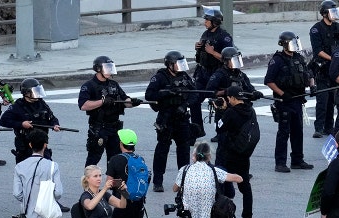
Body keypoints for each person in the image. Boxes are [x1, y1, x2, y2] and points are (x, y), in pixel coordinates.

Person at [145, 51, 196, 192]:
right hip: (166, 119)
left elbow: (195, 93)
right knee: (162, 150)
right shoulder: (160, 77)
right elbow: (149, 95)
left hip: (182, 119)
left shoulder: (184, 77)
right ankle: (158, 181)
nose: (180, 67)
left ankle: (183, 180)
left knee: (184, 151)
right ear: (169, 65)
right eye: (177, 64)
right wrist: (166, 93)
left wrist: (184, 106)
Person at [264, 31, 315, 173]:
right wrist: (282, 94)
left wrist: (312, 86)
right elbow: (269, 80)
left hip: (298, 100)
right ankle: (280, 163)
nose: (294, 47)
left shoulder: (299, 58)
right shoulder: (277, 60)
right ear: (284, 44)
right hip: (284, 101)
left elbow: (309, 74)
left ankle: (297, 160)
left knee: (298, 131)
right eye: (291, 43)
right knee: (284, 132)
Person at [78, 56, 142, 167]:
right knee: (94, 158)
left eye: (110, 67)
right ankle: (88, 182)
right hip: (99, 128)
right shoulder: (89, 86)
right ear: (98, 69)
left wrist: (132, 102)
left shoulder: (113, 85)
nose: (109, 71)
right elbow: (83, 105)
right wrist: (102, 102)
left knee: (114, 159)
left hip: (114, 127)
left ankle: (112, 183)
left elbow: (124, 100)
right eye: (107, 68)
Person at [216, 86, 257, 218]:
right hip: (244, 154)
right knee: (245, 187)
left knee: (222, 184)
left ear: (233, 98)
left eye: (229, 98)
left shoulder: (231, 113)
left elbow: (219, 128)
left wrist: (221, 111)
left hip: (229, 154)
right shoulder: (250, 111)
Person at [0, 78, 61, 164]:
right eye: (35, 91)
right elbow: (3, 121)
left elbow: (51, 117)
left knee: (47, 166)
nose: (37, 94)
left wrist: (55, 124)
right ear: (26, 92)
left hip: (41, 143)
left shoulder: (41, 103)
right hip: (25, 145)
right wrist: (21, 124)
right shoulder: (18, 106)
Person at [193, 7, 233, 139]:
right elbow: (201, 53)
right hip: (203, 72)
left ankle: (220, 131)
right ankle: (197, 128)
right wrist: (198, 48)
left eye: (207, 20)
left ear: (214, 22)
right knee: (194, 99)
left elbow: (228, 58)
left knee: (219, 101)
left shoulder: (224, 37)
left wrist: (212, 52)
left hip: (217, 73)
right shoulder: (205, 34)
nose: (205, 22)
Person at [310, 0, 339, 138]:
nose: (334, 15)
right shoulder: (316, 29)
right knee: (322, 99)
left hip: (335, 69)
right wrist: (333, 59)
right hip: (322, 68)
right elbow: (318, 51)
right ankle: (319, 127)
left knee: (332, 99)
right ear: (324, 14)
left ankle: (329, 127)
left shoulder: (338, 27)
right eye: (331, 12)